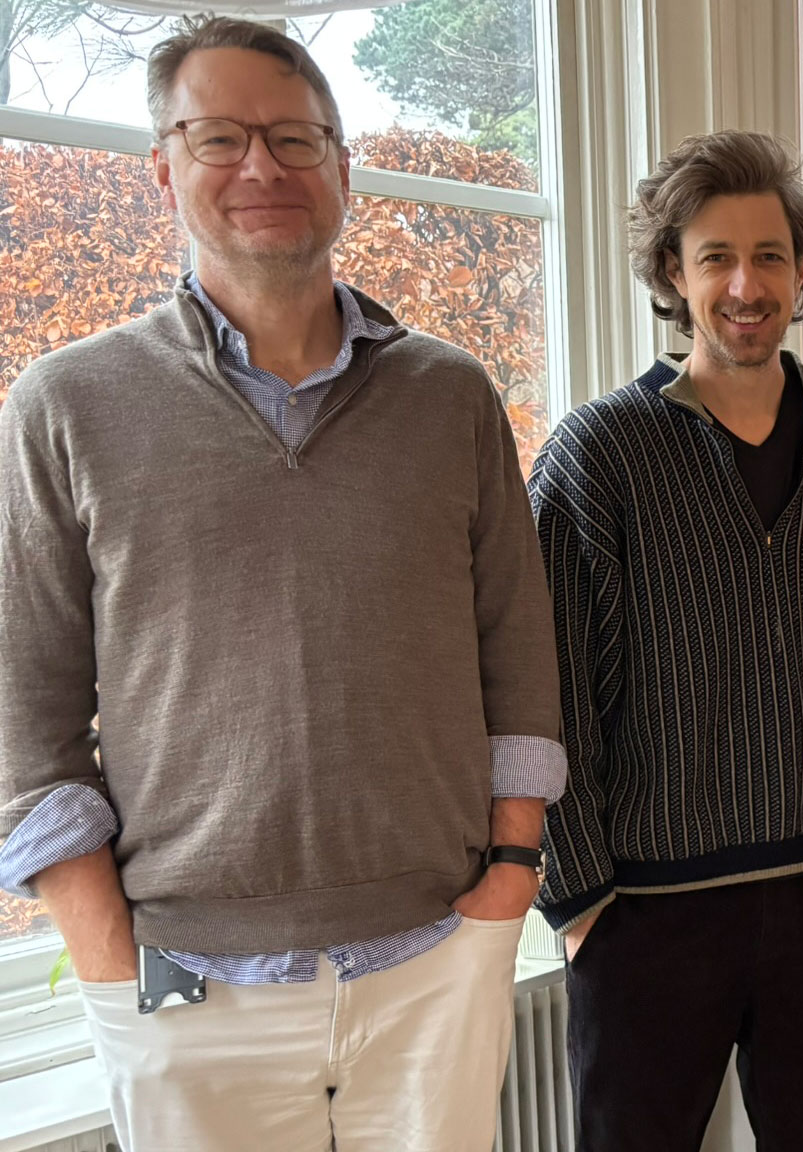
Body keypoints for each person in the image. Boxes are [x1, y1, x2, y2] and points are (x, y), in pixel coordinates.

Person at [0, 17, 563, 1151]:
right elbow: (26, 706)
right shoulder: (67, 404)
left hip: (435, 953)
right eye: (218, 136)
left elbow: (516, 645)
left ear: (343, 170)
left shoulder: (447, 394)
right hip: (185, 983)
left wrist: (510, 873)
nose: (261, 167)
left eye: (295, 140)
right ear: (162, 166)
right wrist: (110, 963)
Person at [529, 129, 803, 1151]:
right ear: (671, 272)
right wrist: (575, 901)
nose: (746, 284)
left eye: (770, 256)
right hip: (648, 910)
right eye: (715, 258)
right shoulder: (599, 451)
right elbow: (541, 683)